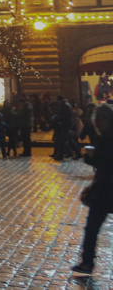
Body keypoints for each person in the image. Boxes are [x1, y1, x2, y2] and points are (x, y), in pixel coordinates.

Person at [73, 102, 113, 275]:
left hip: (105, 189)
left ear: (104, 118)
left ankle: (87, 262)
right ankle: (87, 261)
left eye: (97, 119)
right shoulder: (104, 136)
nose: (96, 122)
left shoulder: (105, 138)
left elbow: (105, 163)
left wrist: (91, 160)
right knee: (92, 227)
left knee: (92, 227)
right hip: (105, 187)